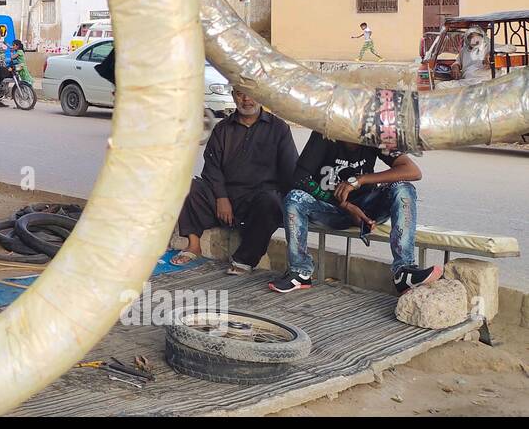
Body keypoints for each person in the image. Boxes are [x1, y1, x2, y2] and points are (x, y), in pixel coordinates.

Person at [270, 131, 441, 294]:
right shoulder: (325, 134)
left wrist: (360, 180)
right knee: (294, 198)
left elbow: (412, 171)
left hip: (367, 210)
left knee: (403, 188)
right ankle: (300, 271)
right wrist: (346, 206)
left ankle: (404, 271)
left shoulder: (374, 136)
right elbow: (300, 178)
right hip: (331, 209)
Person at [173, 89, 297, 272]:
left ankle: (243, 261)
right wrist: (222, 198)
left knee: (272, 202)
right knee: (187, 186)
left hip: (258, 201)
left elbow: (289, 169)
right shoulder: (223, 128)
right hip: (224, 200)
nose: (246, 99)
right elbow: (212, 167)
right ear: (233, 96)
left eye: (251, 93)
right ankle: (194, 245)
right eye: (240, 94)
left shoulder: (278, 128)